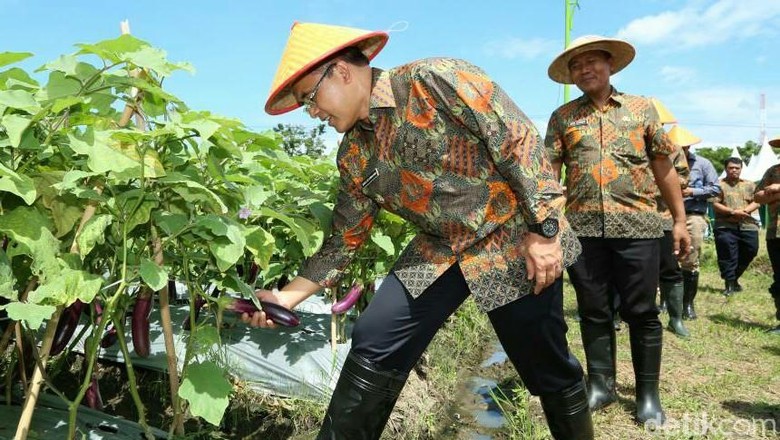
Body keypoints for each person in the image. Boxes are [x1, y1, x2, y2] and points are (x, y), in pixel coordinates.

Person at [245, 22, 593, 439]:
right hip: (439, 250)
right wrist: (285, 297)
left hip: (510, 233)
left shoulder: (433, 78)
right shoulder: (354, 154)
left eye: (310, 98)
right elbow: (344, 240)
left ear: (340, 71)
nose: (313, 113)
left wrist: (545, 231)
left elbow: (517, 140)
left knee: (543, 359)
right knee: (375, 337)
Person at [544, 35, 690, 426]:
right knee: (593, 311)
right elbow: (548, 175)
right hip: (583, 231)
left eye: (592, 62)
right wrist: (547, 225)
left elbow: (664, 167)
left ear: (611, 65)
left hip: (639, 228)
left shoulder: (642, 109)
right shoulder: (563, 118)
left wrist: (678, 220)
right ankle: (600, 386)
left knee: (642, 311)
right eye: (577, 66)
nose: (585, 70)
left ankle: (647, 395)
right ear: (571, 75)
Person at [669, 125, 720, 319]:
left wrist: (692, 191)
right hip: (666, 214)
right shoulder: (662, 161)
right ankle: (666, 301)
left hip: (693, 214)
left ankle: (687, 304)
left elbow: (716, 189)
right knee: (666, 258)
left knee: (690, 257)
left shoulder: (703, 164)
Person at [651, 98, 691, 338]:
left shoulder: (672, 147)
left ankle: (675, 319)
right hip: (632, 220)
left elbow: (683, 178)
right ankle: (617, 314)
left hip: (664, 216)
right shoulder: (627, 142)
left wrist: (652, 187)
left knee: (670, 268)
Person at [713, 157, 760, 296]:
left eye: (737, 168)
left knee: (751, 250)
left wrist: (744, 212)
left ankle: (734, 278)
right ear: (725, 168)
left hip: (748, 225)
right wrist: (732, 212)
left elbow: (757, 201)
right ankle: (729, 284)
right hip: (725, 225)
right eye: (731, 167)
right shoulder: (718, 185)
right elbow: (715, 203)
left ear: (741, 169)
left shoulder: (750, 184)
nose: (734, 170)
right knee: (727, 254)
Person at [753, 135, 780, 335]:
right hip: (775, 233)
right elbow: (757, 196)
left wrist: (777, 190)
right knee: (779, 278)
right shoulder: (772, 171)